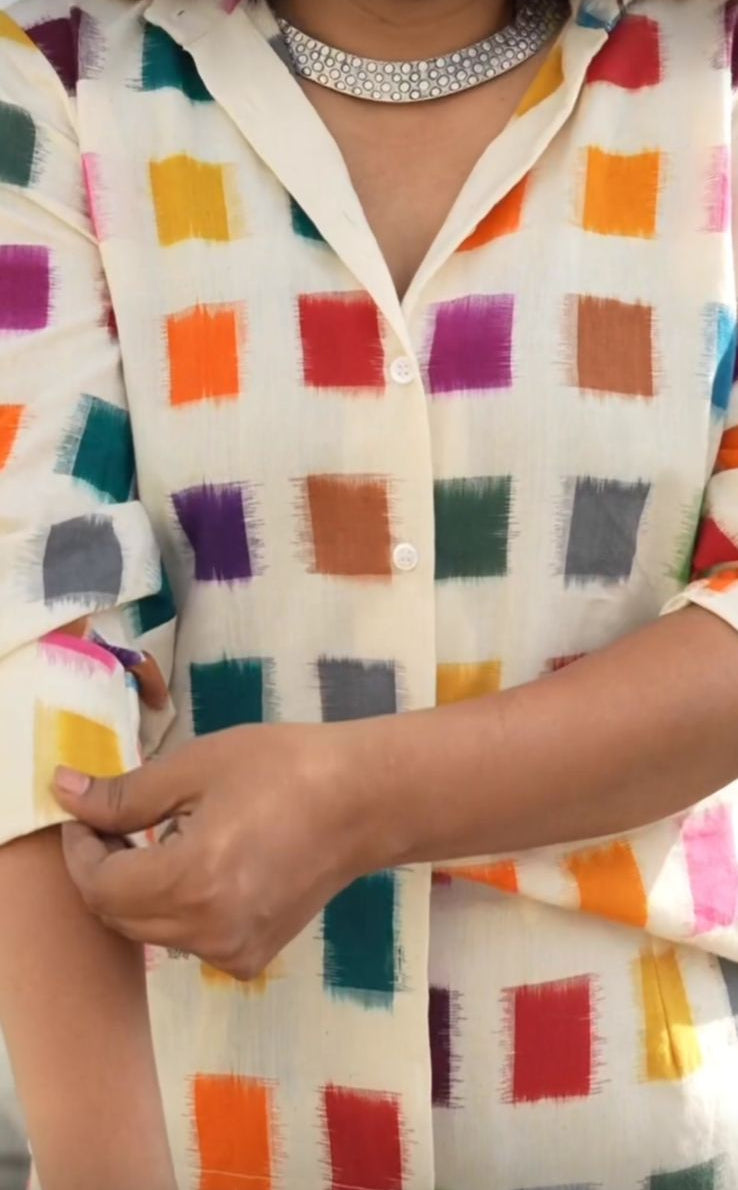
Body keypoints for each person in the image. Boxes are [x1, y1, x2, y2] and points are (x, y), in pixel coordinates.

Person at [1, 0, 737, 1186]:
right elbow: (32, 635)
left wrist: (357, 799)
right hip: (200, 1140)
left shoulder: (716, 68)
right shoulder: (55, 75)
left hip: (634, 1127)